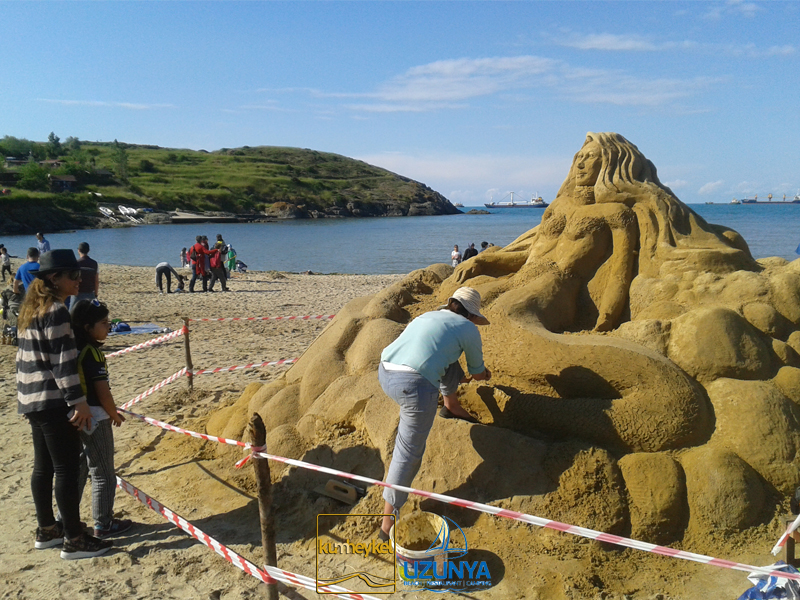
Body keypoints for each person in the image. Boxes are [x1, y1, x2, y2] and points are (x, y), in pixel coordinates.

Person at [16, 249, 112, 559]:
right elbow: (63, 364)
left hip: (31, 400)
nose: (79, 279)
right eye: (73, 275)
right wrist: (78, 402)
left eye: (79, 273)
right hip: (53, 401)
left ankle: (48, 529)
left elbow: (25, 360)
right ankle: (74, 539)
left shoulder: (31, 308)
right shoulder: (56, 310)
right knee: (67, 470)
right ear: (53, 278)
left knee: (43, 468)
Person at [377, 287, 491, 540]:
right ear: (473, 315)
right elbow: (477, 373)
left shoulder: (428, 316)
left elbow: (441, 356)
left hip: (385, 371)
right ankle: (386, 525)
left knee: (450, 363)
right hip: (413, 386)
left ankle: (451, 405)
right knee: (407, 453)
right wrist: (484, 374)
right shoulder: (468, 328)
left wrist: (459, 376)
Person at [70, 299, 132, 539]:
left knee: (78, 468)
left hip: (73, 414)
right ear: (87, 327)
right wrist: (113, 413)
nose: (109, 327)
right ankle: (103, 523)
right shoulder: (92, 353)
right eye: (104, 323)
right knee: (103, 472)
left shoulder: (70, 348)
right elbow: (102, 391)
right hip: (94, 416)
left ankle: (67, 519)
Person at [68, 242, 99, 310]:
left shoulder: (76, 263)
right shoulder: (94, 263)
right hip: (90, 292)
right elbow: (96, 281)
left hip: (78, 293)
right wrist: (96, 294)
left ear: (79, 250)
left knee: (72, 312)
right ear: (88, 251)